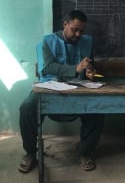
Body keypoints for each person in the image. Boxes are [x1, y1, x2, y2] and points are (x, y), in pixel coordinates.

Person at [18, 10, 104, 173]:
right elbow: (48, 67)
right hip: (49, 87)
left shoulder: (87, 41)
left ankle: (85, 152)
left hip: (78, 88)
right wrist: (75, 68)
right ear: (65, 25)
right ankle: (30, 152)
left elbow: (89, 64)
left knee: (98, 109)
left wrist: (90, 71)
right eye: (74, 29)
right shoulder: (47, 41)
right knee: (27, 108)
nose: (78, 34)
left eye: (81, 31)